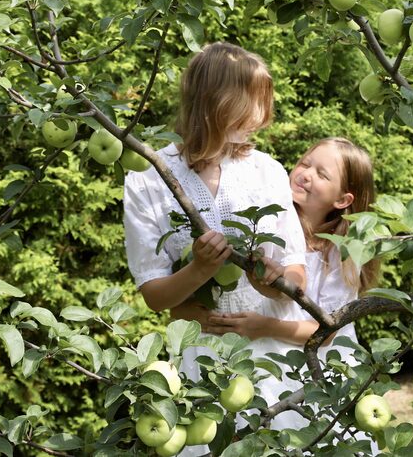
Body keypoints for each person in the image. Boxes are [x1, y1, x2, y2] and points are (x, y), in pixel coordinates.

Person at [123, 41, 308, 377]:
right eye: (252, 103)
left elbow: (295, 272)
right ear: (215, 102)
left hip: (269, 355)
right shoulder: (149, 177)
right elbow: (154, 295)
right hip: (201, 353)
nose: (261, 116)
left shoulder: (266, 171)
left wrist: (269, 281)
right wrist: (201, 268)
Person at [201, 137, 381, 429]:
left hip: (317, 365)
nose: (306, 174)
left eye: (322, 174)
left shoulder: (340, 252)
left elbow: (329, 329)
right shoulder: (271, 223)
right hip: (266, 356)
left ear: (343, 200)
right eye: (304, 163)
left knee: (305, 433)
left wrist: (264, 328)